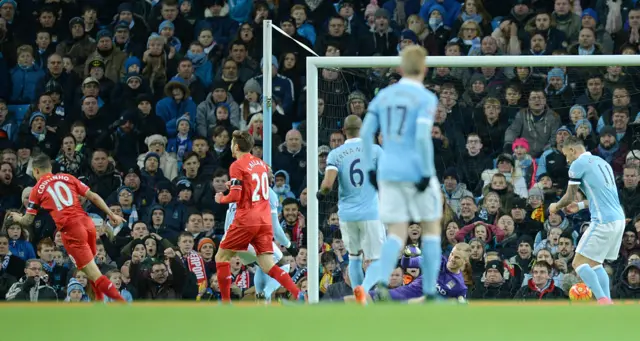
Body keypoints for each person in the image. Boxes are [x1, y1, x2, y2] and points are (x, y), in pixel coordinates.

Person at [359, 45, 442, 303]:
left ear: (399, 68)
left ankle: (382, 284)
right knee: (430, 229)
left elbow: (364, 133)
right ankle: (429, 292)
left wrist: (370, 168)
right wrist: (426, 173)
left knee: (396, 232)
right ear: (425, 68)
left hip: (388, 171)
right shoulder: (426, 98)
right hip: (416, 170)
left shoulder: (384, 96)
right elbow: (420, 136)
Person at [7, 154, 127, 302]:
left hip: (72, 231)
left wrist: (16, 217)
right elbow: (93, 196)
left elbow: (27, 220)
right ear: (50, 168)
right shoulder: (67, 177)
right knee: (88, 271)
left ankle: (123, 305)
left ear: (36, 171)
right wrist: (111, 214)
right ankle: (99, 304)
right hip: (87, 223)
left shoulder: (36, 189)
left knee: (94, 274)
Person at [213, 130, 303, 303]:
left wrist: (221, 198)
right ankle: (298, 294)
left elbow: (235, 196)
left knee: (221, 258)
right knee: (268, 264)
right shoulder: (260, 164)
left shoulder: (237, 165)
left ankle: (226, 303)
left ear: (237, 146)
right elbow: (247, 183)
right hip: (261, 224)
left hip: (244, 224)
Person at [549, 136, 626, 305]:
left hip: (603, 221)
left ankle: (602, 300)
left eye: (566, 155)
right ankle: (608, 303)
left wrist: (555, 206)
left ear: (572, 150)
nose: (567, 160)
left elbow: (569, 196)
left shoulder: (578, 164)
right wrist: (581, 205)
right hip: (618, 220)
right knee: (595, 264)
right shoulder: (602, 162)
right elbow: (604, 195)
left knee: (578, 263)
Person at [317, 114, 385, 294]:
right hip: (370, 213)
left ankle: (357, 295)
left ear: (343, 131)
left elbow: (327, 185)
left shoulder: (336, 154)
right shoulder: (375, 150)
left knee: (354, 258)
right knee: (376, 259)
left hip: (347, 214)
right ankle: (366, 290)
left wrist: (320, 193)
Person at [222, 167, 293, 302]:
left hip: (231, 240)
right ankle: (265, 294)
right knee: (284, 263)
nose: (272, 176)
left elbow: (228, 219)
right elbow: (276, 229)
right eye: (271, 173)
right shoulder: (269, 193)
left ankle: (261, 303)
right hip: (248, 238)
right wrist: (289, 244)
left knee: (262, 265)